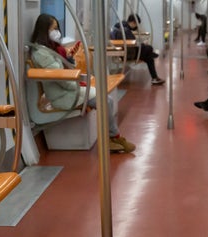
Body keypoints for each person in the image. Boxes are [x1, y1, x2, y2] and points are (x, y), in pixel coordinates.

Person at [30, 14, 136, 153]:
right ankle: (113, 138)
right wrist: (78, 84)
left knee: (106, 100)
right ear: (44, 30)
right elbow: (60, 77)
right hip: (62, 96)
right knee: (105, 101)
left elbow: (63, 72)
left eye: (57, 28)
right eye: (53, 28)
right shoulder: (42, 54)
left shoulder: (50, 49)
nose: (57, 32)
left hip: (68, 90)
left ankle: (113, 138)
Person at [111, 14, 165, 85]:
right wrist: (142, 44)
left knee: (149, 56)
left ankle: (154, 78)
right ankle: (154, 77)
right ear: (133, 22)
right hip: (128, 54)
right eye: (136, 24)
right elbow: (133, 43)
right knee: (149, 49)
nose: (136, 27)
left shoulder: (120, 26)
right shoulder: (125, 30)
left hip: (126, 51)